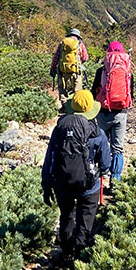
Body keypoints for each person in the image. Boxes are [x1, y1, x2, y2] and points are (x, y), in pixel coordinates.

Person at [41, 89, 111, 257]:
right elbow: (106, 164)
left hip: (62, 184)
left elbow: (50, 157)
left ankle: (65, 253)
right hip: (89, 187)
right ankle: (79, 258)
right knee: (85, 222)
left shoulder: (59, 130)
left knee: (66, 217)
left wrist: (46, 184)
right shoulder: (97, 133)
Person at [92, 41, 134, 183]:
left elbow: (93, 93)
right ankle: (115, 181)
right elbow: (130, 94)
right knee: (118, 148)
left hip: (103, 113)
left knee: (100, 145)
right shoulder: (128, 72)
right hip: (120, 113)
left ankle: (98, 178)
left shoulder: (101, 71)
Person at [50, 28, 89, 110]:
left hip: (63, 70)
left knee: (62, 88)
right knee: (77, 89)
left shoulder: (62, 43)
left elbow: (56, 58)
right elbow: (85, 57)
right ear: (78, 36)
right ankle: (75, 107)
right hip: (76, 70)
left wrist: (53, 69)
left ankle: (64, 106)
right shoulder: (80, 44)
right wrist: (79, 63)